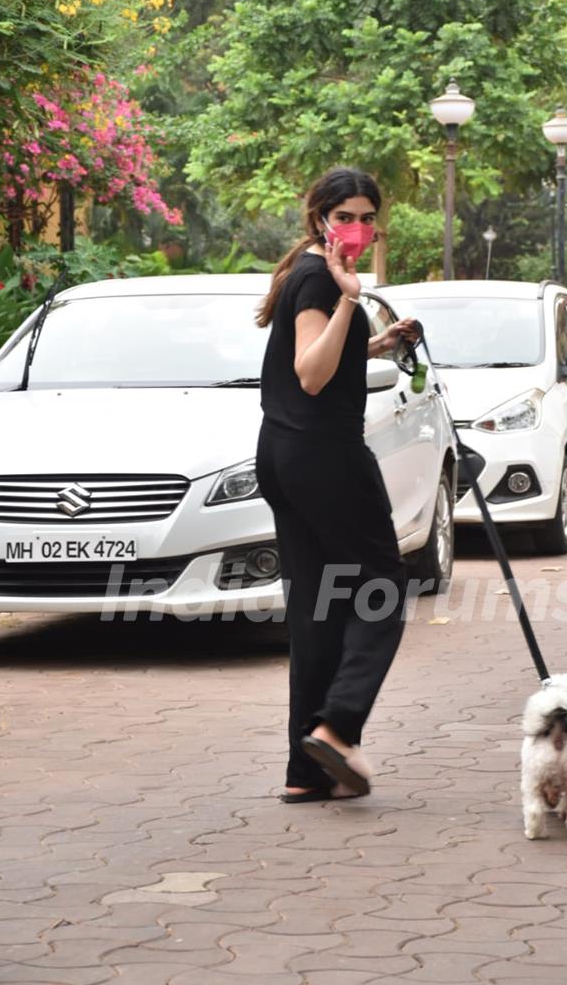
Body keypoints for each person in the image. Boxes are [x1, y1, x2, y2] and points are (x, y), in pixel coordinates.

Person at [255, 167, 418, 803]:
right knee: (382, 590)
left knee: (319, 607)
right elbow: (311, 373)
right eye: (346, 215)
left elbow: (326, 360)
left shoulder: (306, 271)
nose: (358, 227)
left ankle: (307, 771)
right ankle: (338, 728)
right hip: (325, 457)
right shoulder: (322, 277)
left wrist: (378, 343)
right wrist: (351, 298)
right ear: (320, 216)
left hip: (284, 454)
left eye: (368, 216)